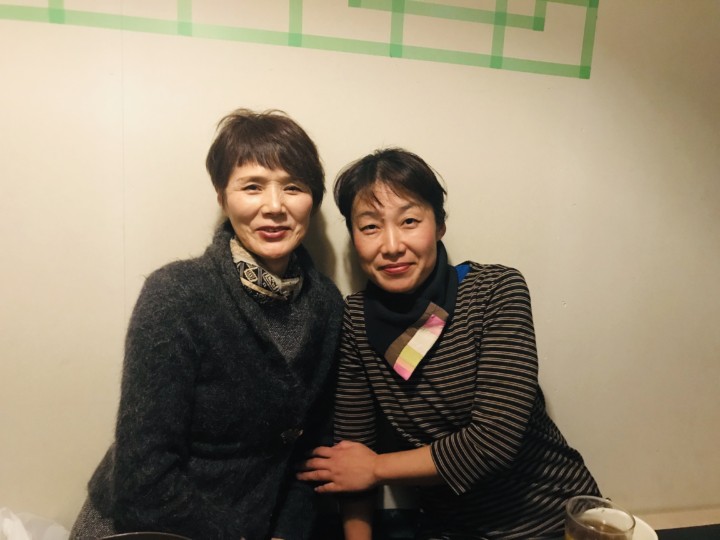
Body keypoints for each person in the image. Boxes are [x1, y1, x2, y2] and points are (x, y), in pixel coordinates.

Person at [69, 109, 344, 540]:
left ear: (312, 199)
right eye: (252, 186)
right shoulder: (177, 294)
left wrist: (287, 532)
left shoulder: (326, 305)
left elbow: (312, 452)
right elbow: (144, 478)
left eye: (293, 187)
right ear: (222, 198)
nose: (274, 206)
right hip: (145, 528)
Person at [297, 148, 601, 540]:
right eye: (370, 226)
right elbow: (351, 457)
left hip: (554, 517)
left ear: (439, 224)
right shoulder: (355, 320)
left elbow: (493, 440)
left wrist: (376, 468)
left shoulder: (494, 291)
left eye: (409, 221)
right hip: (450, 528)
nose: (391, 245)